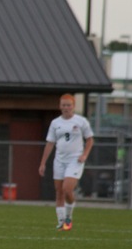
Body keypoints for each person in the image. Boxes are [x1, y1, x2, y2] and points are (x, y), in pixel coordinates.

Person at [38, 94, 94, 231]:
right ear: (60, 106)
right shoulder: (55, 123)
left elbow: (90, 139)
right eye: (63, 105)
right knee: (59, 192)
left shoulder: (81, 121)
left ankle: (68, 218)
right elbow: (50, 143)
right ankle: (61, 222)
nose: (66, 107)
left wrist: (84, 155)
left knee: (67, 189)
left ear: (73, 106)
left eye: (68, 105)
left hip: (75, 160)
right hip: (59, 160)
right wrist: (43, 163)